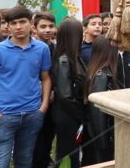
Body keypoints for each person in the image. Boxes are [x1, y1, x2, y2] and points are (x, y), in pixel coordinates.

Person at [0, 6, 52, 168]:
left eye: (22, 22)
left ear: (31, 23)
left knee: (24, 162)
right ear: (8, 26)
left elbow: (45, 78)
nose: (18, 27)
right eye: (13, 23)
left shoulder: (42, 49)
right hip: (4, 115)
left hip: (32, 114)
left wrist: (43, 106)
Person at [50, 18, 87, 168]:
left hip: (70, 113)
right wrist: (81, 114)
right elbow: (65, 95)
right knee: (66, 152)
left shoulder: (74, 57)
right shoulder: (64, 60)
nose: (83, 36)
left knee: (71, 153)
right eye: (80, 33)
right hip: (67, 114)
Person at [81, 35, 119, 166]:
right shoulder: (102, 77)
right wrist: (102, 141)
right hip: (103, 135)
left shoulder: (96, 72)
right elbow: (97, 112)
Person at [31, 11, 57, 168]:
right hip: (33, 101)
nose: (47, 30)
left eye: (51, 26)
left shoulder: (57, 49)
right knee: (35, 140)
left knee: (48, 136)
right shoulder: (30, 48)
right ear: (34, 28)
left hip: (53, 101)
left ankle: (45, 160)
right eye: (43, 26)